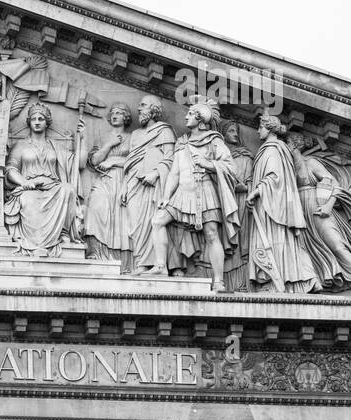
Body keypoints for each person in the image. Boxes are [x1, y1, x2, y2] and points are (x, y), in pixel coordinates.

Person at [151, 100, 239, 293]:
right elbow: (174, 172)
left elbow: (232, 168)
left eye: (190, 114)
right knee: (158, 221)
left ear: (200, 120)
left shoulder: (214, 141)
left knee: (211, 234)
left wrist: (209, 164)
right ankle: (160, 266)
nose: (185, 116)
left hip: (205, 193)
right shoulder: (181, 142)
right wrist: (166, 196)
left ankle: (218, 281)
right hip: (181, 194)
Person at [247, 112, 319, 294]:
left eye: (260, 127)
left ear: (269, 129)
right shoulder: (274, 149)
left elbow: (274, 177)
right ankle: (293, 280)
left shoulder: (273, 149)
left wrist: (255, 192)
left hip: (273, 205)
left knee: (277, 241)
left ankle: (285, 281)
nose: (257, 131)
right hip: (272, 204)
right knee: (282, 243)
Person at [287, 131, 351, 296]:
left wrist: (328, 206)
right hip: (300, 213)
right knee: (303, 249)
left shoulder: (311, 163)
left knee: (337, 245)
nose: (284, 147)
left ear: (294, 144)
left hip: (319, 209)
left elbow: (335, 184)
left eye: (286, 143)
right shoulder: (287, 166)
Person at [3, 101, 84, 257]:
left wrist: (83, 138)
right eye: (34, 119)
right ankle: (37, 245)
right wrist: (25, 183)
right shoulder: (20, 146)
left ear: (47, 122)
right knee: (28, 200)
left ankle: (63, 233)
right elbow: (11, 169)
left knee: (68, 189)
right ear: (29, 122)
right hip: (29, 189)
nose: (37, 122)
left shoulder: (56, 147)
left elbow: (79, 164)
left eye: (41, 119)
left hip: (53, 189)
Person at [120, 94, 175, 271]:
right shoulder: (135, 135)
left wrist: (155, 174)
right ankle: (141, 262)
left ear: (153, 110)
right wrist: (123, 186)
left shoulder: (164, 131)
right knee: (135, 224)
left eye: (143, 105)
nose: (138, 108)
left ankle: (153, 264)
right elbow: (129, 163)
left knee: (151, 222)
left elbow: (170, 159)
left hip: (152, 185)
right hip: (133, 183)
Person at [83, 102, 132, 267]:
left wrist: (114, 161)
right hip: (103, 180)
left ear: (126, 117)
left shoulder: (133, 137)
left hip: (124, 180)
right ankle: (96, 252)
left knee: (122, 220)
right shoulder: (103, 136)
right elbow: (94, 161)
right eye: (112, 112)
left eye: (119, 112)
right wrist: (109, 144)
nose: (114, 115)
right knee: (96, 209)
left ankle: (121, 261)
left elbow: (137, 162)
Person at [221, 121, 254, 293]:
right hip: (222, 202)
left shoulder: (245, 156)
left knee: (240, 242)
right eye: (231, 131)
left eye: (236, 131)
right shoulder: (219, 155)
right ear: (223, 133)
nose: (235, 134)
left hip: (240, 201)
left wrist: (243, 188)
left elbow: (251, 184)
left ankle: (241, 283)